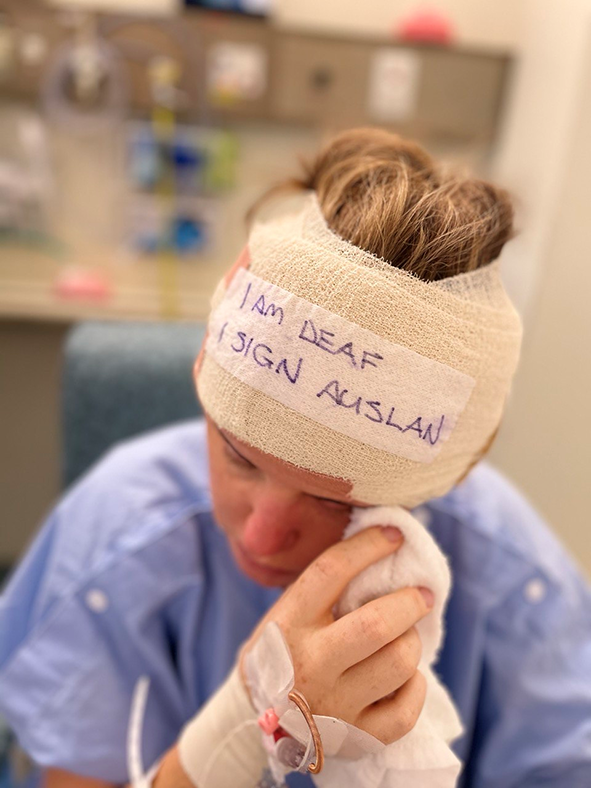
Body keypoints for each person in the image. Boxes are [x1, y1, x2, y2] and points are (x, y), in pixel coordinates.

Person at [1, 128, 590, 788]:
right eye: (237, 459)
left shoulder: (516, 583)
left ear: (448, 476)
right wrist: (237, 731)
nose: (260, 534)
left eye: (333, 501)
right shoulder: (115, 540)